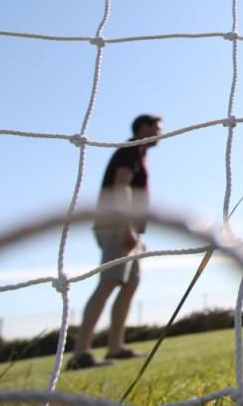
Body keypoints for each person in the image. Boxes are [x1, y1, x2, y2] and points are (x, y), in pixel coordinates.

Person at [67, 114, 161, 370]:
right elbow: (122, 187)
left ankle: (116, 348)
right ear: (143, 128)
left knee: (130, 284)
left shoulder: (139, 154)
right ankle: (80, 354)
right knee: (108, 283)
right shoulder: (129, 150)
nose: (161, 133)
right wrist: (127, 228)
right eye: (157, 128)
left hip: (129, 231)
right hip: (117, 227)